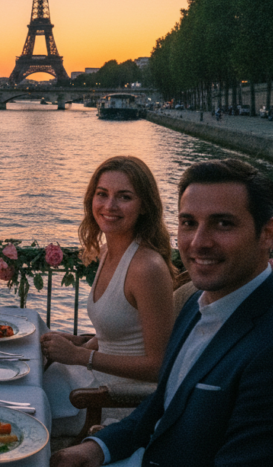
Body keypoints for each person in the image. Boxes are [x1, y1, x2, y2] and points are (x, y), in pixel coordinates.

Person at [52, 159, 273, 467]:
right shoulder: (197, 305)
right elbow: (163, 403)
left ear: (267, 234)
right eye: (188, 223)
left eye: (223, 224)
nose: (199, 242)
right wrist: (97, 448)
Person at [41, 156, 176, 435]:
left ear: (144, 207)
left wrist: (79, 356)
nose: (109, 206)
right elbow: (121, 335)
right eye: (102, 194)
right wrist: (81, 342)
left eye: (124, 197)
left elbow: (159, 367)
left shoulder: (146, 268)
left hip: (112, 399)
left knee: (16, 408)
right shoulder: (107, 251)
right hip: (91, 378)